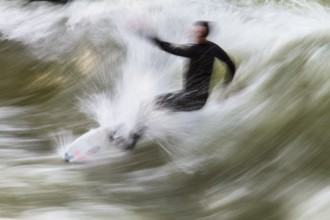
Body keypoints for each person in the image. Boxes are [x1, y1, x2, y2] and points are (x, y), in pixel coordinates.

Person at [145, 21, 236, 111]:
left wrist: (147, 34)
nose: (192, 34)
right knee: (163, 111)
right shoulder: (213, 48)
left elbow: (167, 47)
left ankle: (138, 126)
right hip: (200, 101)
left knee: (147, 105)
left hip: (190, 99)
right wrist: (227, 84)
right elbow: (229, 63)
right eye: (194, 31)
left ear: (202, 34)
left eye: (196, 32)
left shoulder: (193, 50)